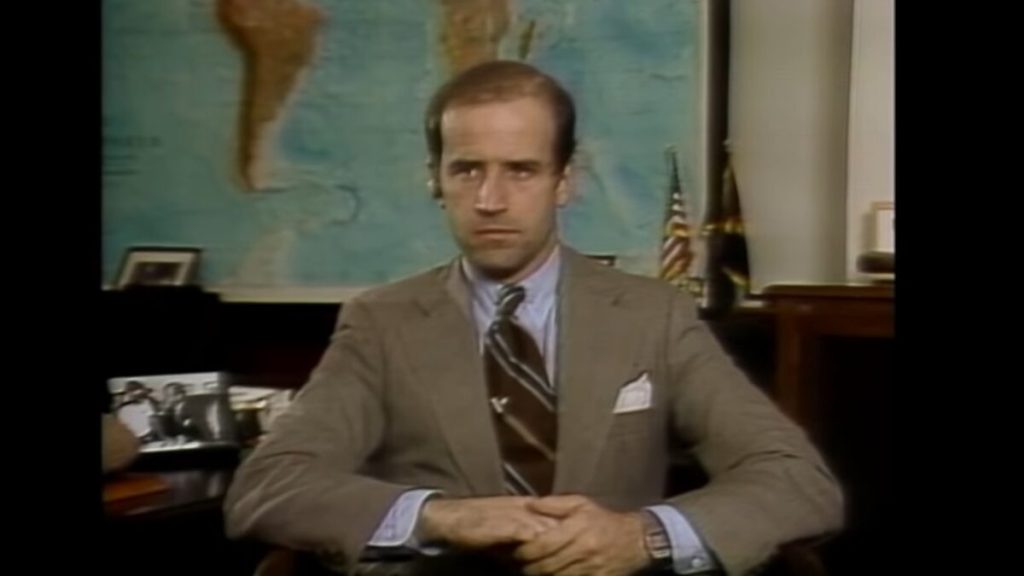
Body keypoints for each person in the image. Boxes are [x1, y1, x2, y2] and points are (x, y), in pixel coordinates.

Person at [224, 60, 842, 576]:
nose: (490, 200)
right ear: (435, 180)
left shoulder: (652, 316)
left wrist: (643, 535)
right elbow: (268, 485)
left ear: (564, 181)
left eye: (521, 170)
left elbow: (797, 481)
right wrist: (441, 517)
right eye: (467, 170)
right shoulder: (381, 324)